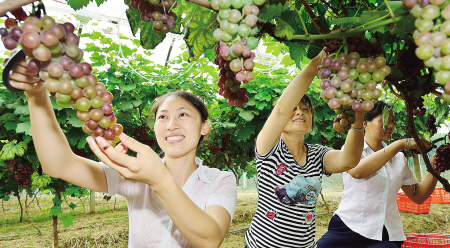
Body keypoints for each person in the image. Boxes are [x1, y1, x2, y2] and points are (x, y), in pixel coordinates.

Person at [8, 59, 237, 248]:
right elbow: (59, 165)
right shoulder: (133, 172)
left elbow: (210, 239)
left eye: (183, 115)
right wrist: (37, 96)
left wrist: (158, 180)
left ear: (204, 127)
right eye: (163, 117)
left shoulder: (221, 180)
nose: (171, 125)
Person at [244, 50, 366, 248]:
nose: (299, 112)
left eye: (305, 109)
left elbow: (349, 160)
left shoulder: (318, 154)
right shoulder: (269, 149)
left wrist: (358, 119)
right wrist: (315, 65)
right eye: (294, 109)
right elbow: (282, 108)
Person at [317, 101, 440, 248]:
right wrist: (400, 144)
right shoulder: (353, 152)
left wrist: (436, 165)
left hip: (384, 233)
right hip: (348, 226)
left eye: (392, 121)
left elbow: (418, 196)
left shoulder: (399, 159)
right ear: (364, 124)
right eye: (384, 121)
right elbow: (357, 171)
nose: (391, 126)